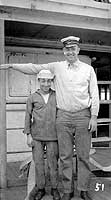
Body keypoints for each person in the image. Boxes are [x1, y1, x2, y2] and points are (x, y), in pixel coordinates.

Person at [1, 36, 99, 200]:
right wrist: (12, 65)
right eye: (67, 49)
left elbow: (94, 94)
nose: (70, 52)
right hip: (62, 117)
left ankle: (83, 189)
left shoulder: (88, 69)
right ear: (63, 51)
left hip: (83, 116)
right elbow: (33, 67)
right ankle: (67, 190)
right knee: (65, 156)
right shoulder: (56, 67)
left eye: (73, 49)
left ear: (78, 50)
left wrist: (94, 116)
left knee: (83, 155)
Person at [24, 69, 60, 200]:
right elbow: (27, 116)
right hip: (37, 137)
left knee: (53, 164)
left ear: (52, 82)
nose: (46, 83)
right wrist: (28, 135)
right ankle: (40, 189)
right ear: (38, 81)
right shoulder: (32, 97)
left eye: (49, 81)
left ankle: (55, 188)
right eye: (43, 80)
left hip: (53, 136)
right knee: (38, 164)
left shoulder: (57, 96)